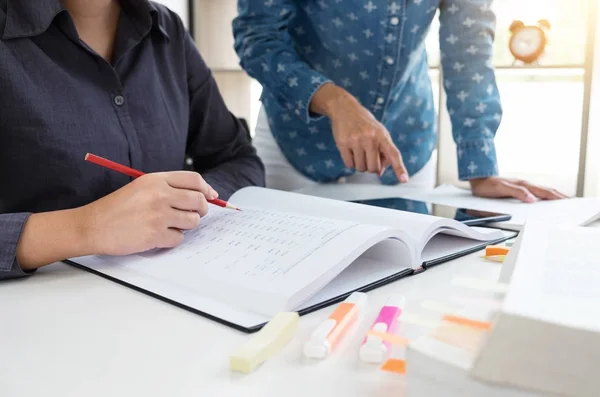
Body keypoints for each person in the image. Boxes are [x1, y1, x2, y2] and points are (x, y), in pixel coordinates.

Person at [0, 0, 265, 280]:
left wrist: (187, 203)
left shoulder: (167, 30)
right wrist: (85, 228)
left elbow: (239, 160)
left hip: (174, 293)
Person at [232, 0, 567, 200]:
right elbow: (258, 39)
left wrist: (481, 168)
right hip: (295, 141)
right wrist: (336, 102)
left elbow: (468, 53)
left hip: (403, 145)